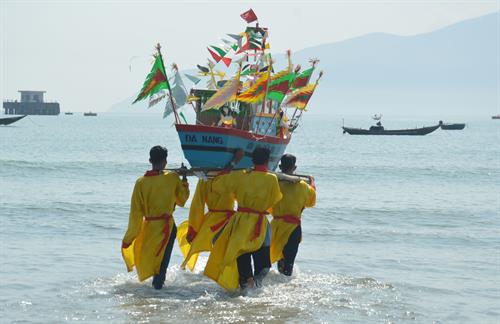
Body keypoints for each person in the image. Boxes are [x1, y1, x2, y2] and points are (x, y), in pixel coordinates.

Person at [204, 147, 282, 291]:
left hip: (241, 221)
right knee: (263, 262)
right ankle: (255, 285)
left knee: (241, 252)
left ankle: (247, 282)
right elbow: (275, 200)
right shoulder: (272, 178)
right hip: (260, 222)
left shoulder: (240, 175)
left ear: (251, 160)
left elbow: (217, 185)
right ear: (267, 161)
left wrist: (231, 165)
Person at [121, 146, 190, 289]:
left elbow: (135, 212)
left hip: (149, 227)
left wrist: (130, 236)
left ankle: (155, 290)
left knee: (151, 258)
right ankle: (158, 290)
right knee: (162, 262)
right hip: (168, 227)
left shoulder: (140, 182)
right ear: (165, 161)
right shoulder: (172, 177)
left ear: (150, 160)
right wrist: (184, 179)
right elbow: (182, 201)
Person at [270, 154, 316, 276]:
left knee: (280, 257)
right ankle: (286, 283)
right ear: (294, 168)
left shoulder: (274, 183)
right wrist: (312, 183)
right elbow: (311, 202)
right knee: (289, 261)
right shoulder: (303, 186)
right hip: (293, 227)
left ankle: (279, 282)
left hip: (277, 227)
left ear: (280, 166)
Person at [177, 177, 236, 271]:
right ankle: (222, 273)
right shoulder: (232, 176)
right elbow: (243, 197)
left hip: (212, 220)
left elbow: (197, 204)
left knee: (218, 246)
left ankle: (217, 272)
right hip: (229, 220)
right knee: (227, 248)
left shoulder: (203, 179)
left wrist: (193, 228)